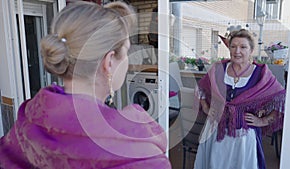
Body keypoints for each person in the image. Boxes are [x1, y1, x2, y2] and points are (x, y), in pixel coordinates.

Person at [0, 1, 171, 169]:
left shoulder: (27, 124)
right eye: (126, 52)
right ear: (109, 61)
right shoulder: (139, 153)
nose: (127, 61)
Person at [193, 29, 285, 169]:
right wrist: (206, 107)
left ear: (251, 50)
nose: (237, 51)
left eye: (243, 47)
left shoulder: (261, 74)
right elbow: (201, 88)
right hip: (215, 131)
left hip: (244, 137)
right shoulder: (218, 68)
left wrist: (263, 121)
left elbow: (281, 99)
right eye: (233, 46)